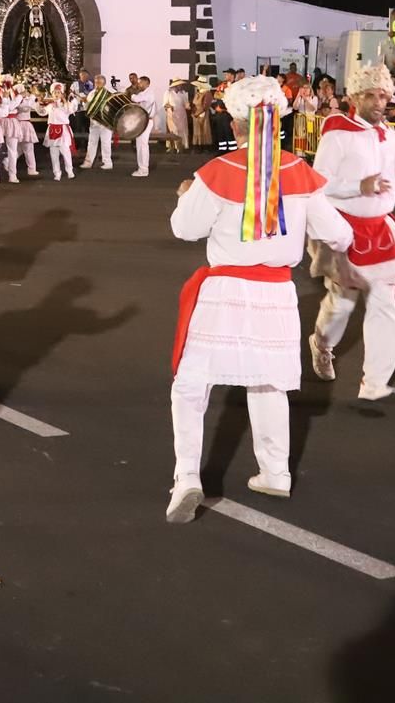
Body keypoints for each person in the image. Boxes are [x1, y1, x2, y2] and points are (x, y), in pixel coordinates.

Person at [165, 75, 358, 517]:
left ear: (236, 125)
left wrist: (185, 196)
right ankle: (275, 473)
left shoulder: (217, 172)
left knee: (191, 383)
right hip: (277, 294)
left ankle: (187, 477)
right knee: (269, 382)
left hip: (224, 291)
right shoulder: (301, 172)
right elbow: (339, 233)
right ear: (278, 123)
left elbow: (184, 229)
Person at [307, 64, 395, 403]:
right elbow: (319, 183)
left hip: (381, 231)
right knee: (342, 304)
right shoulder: (337, 134)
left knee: (384, 305)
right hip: (344, 232)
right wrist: (359, 186)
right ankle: (321, 345)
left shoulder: (391, 136)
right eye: (371, 95)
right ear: (355, 98)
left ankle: (375, 383)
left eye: (383, 95)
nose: (379, 102)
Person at [44, 82, 79, 179]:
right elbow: (42, 112)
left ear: (62, 93)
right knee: (54, 154)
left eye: (58, 92)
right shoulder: (50, 105)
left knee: (65, 151)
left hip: (63, 130)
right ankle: (57, 173)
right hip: (52, 130)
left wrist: (69, 100)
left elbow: (71, 110)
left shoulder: (65, 104)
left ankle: (69, 171)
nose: (56, 94)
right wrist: (38, 104)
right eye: (54, 92)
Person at [82, 78, 117, 170]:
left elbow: (113, 107)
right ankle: (88, 162)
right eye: (96, 82)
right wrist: (85, 102)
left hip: (105, 123)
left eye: (99, 83)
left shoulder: (108, 93)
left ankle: (107, 163)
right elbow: (87, 108)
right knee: (91, 143)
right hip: (94, 123)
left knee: (106, 143)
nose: (97, 84)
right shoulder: (91, 93)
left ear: (104, 83)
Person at [131, 75, 161, 177]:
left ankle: (143, 170)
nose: (138, 84)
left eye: (140, 82)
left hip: (146, 121)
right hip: (143, 120)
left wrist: (131, 94)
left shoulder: (149, 93)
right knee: (140, 144)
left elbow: (135, 98)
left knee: (142, 145)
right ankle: (142, 168)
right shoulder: (143, 93)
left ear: (146, 83)